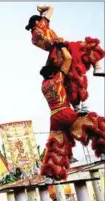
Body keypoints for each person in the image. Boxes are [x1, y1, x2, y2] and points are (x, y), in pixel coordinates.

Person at [39, 40, 105, 180]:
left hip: (54, 118)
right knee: (94, 124)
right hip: (65, 113)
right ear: (53, 73)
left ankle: (50, 175)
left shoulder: (44, 84)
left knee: (57, 145)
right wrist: (62, 46)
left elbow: (47, 67)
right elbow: (68, 59)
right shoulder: (57, 78)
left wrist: (53, 49)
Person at [26, 5, 105, 114]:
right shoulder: (41, 26)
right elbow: (51, 9)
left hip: (54, 57)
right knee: (86, 46)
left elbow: (43, 33)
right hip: (62, 48)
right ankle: (97, 67)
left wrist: (39, 17)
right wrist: (42, 8)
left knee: (69, 80)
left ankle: (77, 107)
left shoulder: (34, 37)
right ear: (37, 22)